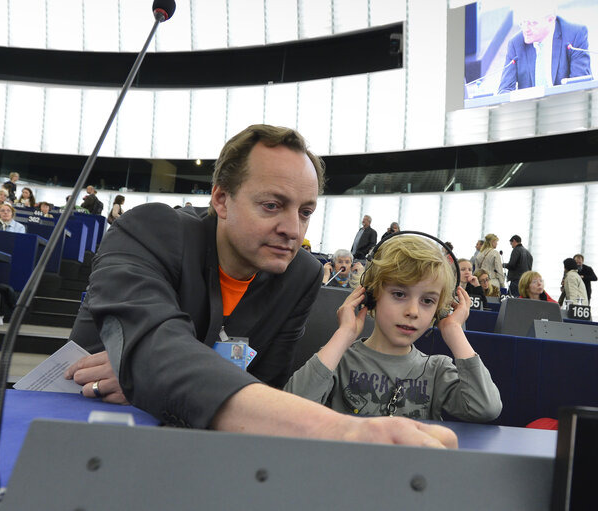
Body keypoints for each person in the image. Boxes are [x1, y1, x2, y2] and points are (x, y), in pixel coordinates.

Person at [64, 124, 456, 449]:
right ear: (221, 198)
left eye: (304, 212)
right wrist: (341, 430)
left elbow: (266, 385)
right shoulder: (150, 230)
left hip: (207, 451)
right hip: (83, 431)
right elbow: (154, 347)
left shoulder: (300, 274)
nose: (293, 230)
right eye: (272, 205)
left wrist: (157, 379)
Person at [285, 234, 501, 422]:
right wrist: (344, 335)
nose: (413, 311)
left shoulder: (437, 369)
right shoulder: (338, 360)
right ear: (371, 295)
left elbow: (486, 408)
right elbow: (292, 409)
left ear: (439, 310)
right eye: (399, 294)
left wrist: (454, 331)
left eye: (428, 301)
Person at [498, 1, 592, 94]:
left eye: (533, 23)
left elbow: (580, 85)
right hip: (530, 106)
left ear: (551, 19)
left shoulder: (574, 34)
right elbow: (504, 90)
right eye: (523, 22)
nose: (526, 29)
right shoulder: (515, 44)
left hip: (566, 103)